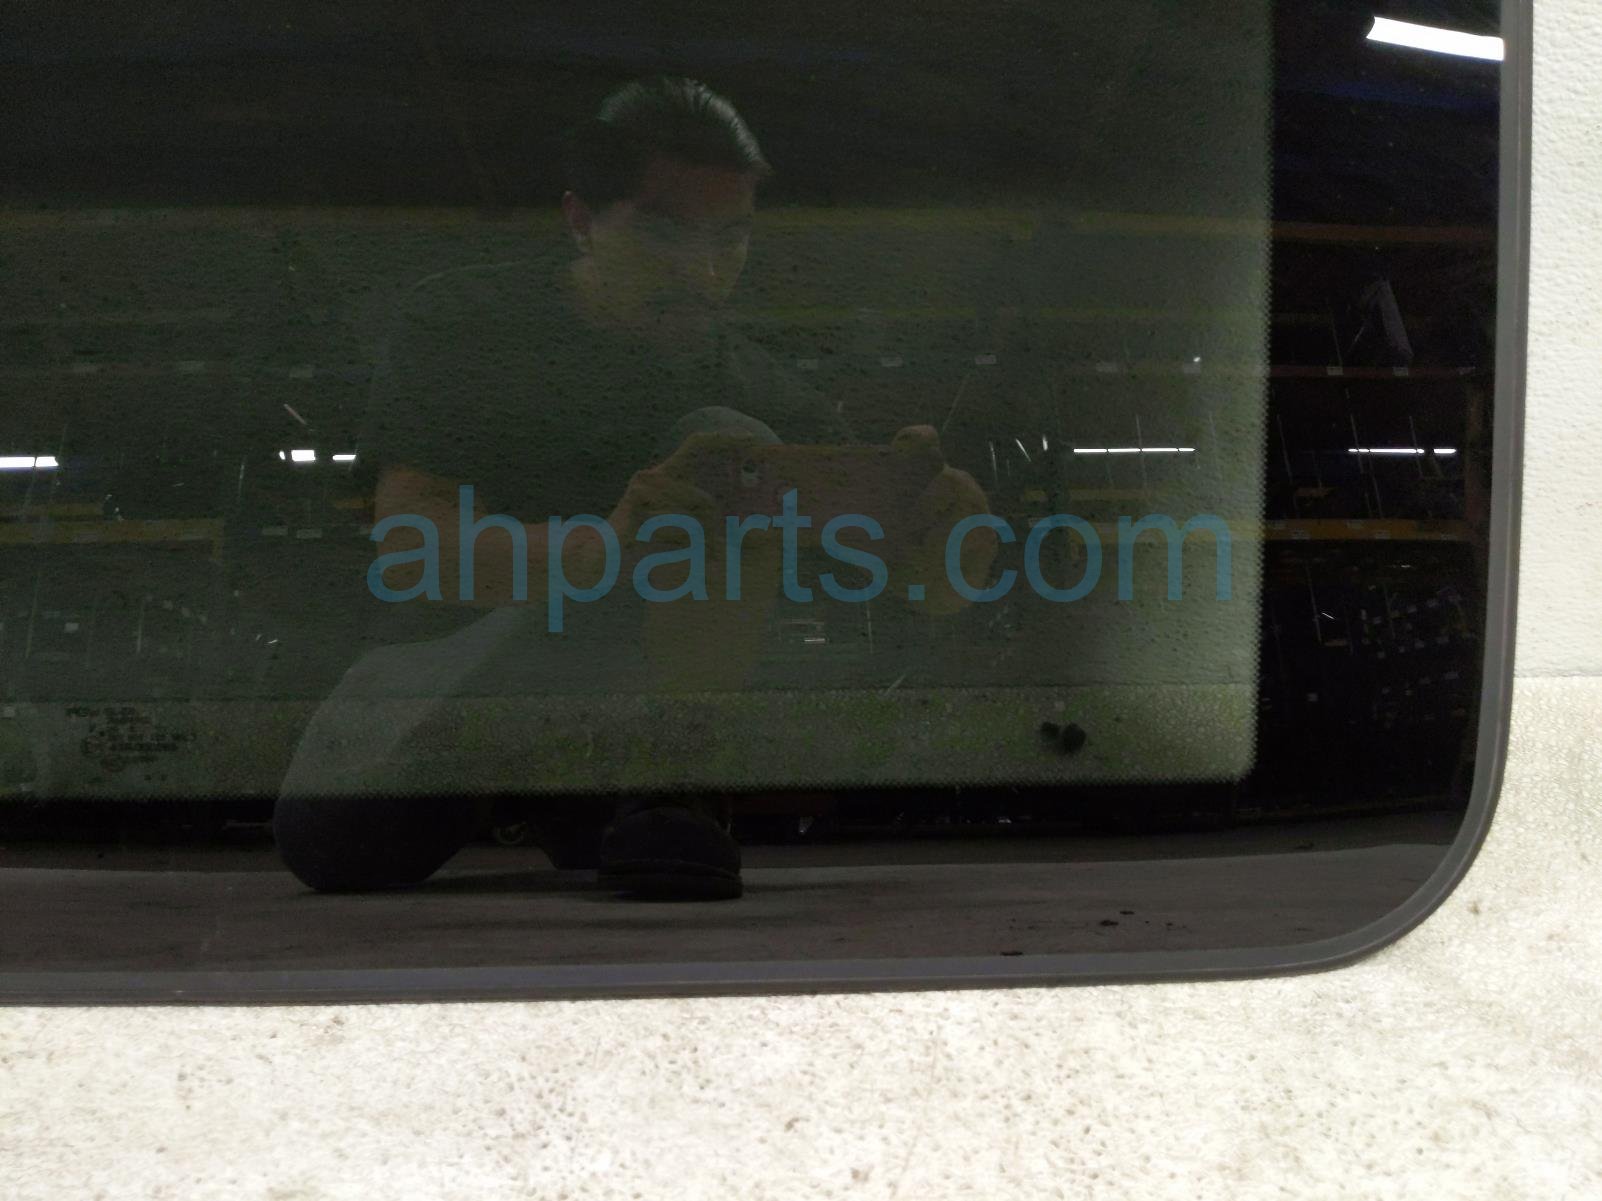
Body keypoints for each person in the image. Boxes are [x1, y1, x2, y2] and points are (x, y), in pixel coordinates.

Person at [273, 75, 994, 900]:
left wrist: (941, 543)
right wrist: (608, 549)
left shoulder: (771, 396)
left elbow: (909, 584)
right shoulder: (470, 326)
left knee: (732, 445)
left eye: (732, 238)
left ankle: (666, 775)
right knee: (333, 843)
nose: (704, 271)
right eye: (664, 232)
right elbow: (413, 546)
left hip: (615, 739)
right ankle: (645, 781)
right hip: (471, 684)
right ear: (581, 220)